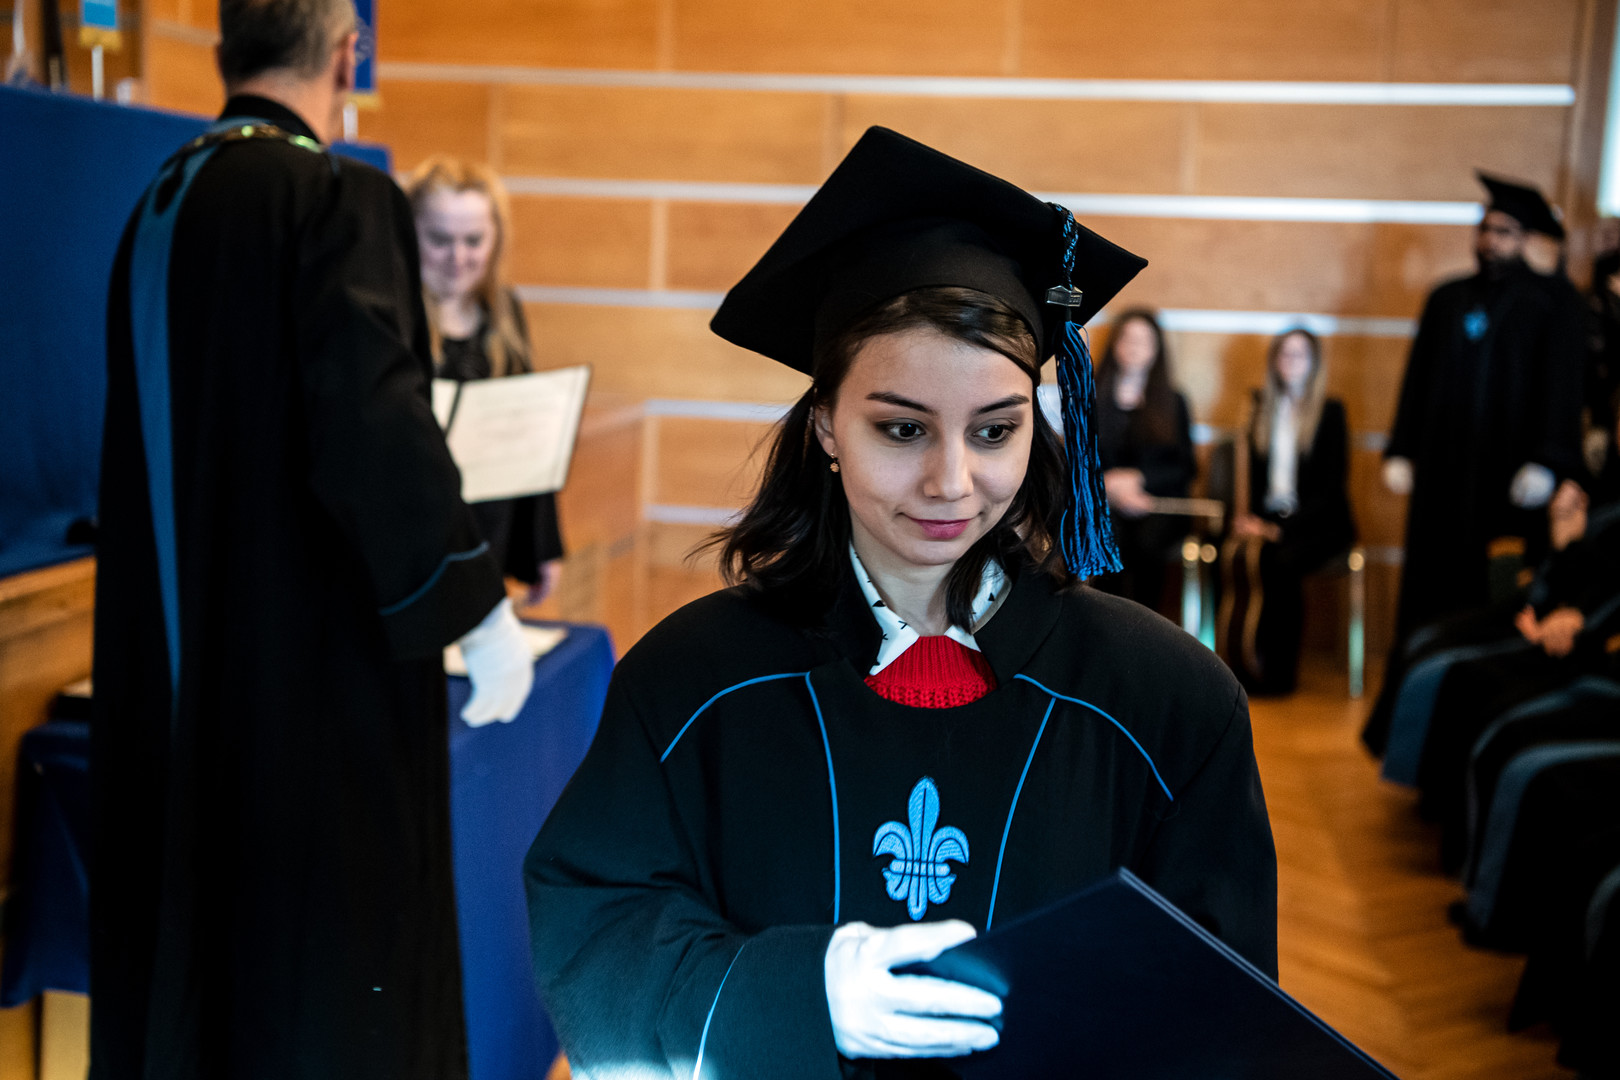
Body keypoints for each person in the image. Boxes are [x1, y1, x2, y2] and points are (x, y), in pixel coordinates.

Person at [524, 127, 1276, 1079]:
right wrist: (800, 994)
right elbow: (602, 928)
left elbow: (1217, 1010)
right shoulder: (690, 683)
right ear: (826, 427)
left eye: (994, 431)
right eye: (901, 429)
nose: (951, 482)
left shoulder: (1170, 703)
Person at [91, 2, 535, 1077]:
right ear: (347, 56)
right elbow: (375, 419)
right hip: (304, 687)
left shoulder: (157, 202)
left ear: (224, 50)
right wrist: (476, 607)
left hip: (171, 670)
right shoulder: (332, 194)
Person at [1382, 171, 1587, 639]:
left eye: (1504, 232)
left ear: (1525, 238)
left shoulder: (1552, 302)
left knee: (1494, 585)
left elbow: (1563, 388)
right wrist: (1401, 449)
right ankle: (1420, 666)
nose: (1491, 241)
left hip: (1508, 477)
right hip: (1442, 473)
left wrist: (1548, 460)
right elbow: (1417, 378)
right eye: (1485, 229)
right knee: (1431, 579)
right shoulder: (1447, 298)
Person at [404, 156, 566, 603]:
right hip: (418, 538)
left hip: (488, 532)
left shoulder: (504, 311)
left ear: (496, 238)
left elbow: (528, 434)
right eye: (439, 240)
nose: (458, 258)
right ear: (410, 231)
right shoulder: (396, 316)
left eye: (473, 241)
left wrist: (543, 549)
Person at [1218, 328, 1354, 695]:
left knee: (1282, 562)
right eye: (1284, 354)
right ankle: (1241, 662)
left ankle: (1279, 674)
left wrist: (1281, 529)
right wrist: (1252, 521)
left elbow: (1331, 491)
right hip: (1270, 519)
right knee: (1234, 557)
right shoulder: (1260, 408)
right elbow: (1250, 480)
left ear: (1313, 364)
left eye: (1300, 355)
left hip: (1320, 524)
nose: (1290, 361)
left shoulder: (1330, 412)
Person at [1091, 308, 1196, 615]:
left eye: (1144, 341)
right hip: (1104, 502)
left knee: (1148, 543)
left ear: (1156, 349)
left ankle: (1145, 629)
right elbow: (1076, 461)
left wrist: (1139, 480)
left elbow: (1185, 467)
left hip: (1159, 504)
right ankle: (1106, 627)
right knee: (1108, 538)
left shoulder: (1174, 401)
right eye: (1128, 338)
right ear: (1115, 343)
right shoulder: (1091, 397)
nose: (1135, 347)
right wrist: (1109, 486)